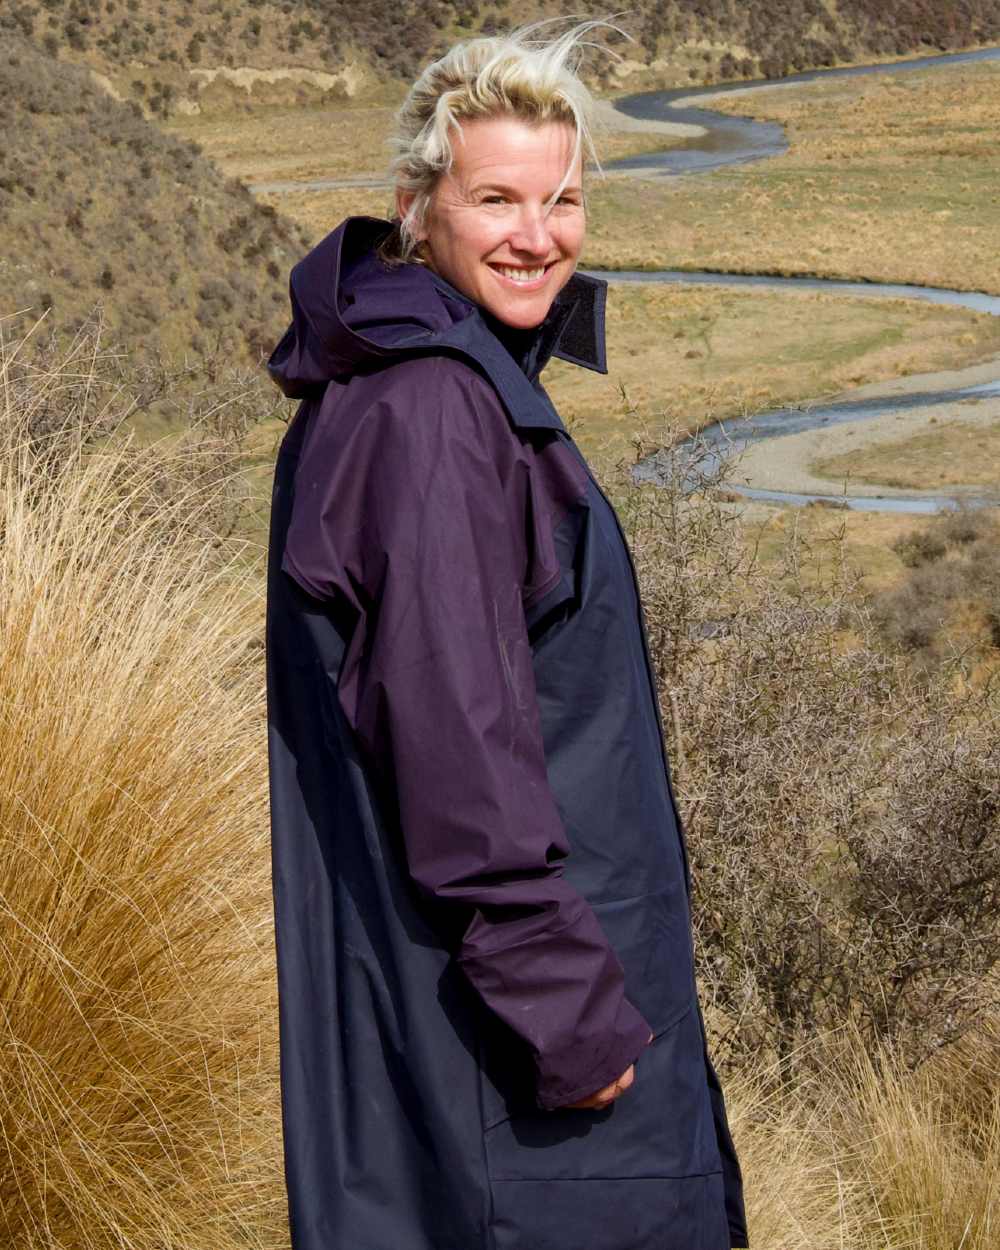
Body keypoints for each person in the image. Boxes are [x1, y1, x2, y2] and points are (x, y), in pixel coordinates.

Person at [264, 20, 747, 1250]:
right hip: (523, 1061)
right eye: (497, 198)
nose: (538, 235)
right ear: (417, 205)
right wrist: (570, 1012)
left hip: (495, 1034)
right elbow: (452, 743)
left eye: (562, 197)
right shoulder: (431, 413)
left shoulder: (440, 382)